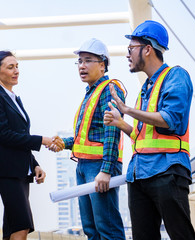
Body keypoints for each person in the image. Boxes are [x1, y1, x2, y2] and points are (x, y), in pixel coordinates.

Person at [103, 20, 195, 239]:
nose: (128, 54)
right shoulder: (146, 87)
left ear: (147, 49)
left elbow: (170, 119)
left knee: (180, 235)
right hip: (139, 175)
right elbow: (143, 136)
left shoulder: (176, 76)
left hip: (168, 171)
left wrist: (128, 110)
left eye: (131, 48)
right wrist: (122, 122)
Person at [49, 38, 126, 240]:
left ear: (102, 65)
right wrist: (64, 143)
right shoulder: (91, 93)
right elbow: (89, 136)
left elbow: (112, 131)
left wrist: (106, 170)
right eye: (80, 61)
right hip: (84, 167)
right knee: (91, 230)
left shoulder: (110, 89)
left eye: (88, 60)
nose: (82, 66)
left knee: (108, 229)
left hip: (100, 167)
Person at [0, 50, 51, 240]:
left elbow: (21, 136)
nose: (16, 71)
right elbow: (3, 135)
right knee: (22, 224)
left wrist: (35, 164)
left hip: (20, 170)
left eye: (17, 66)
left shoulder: (14, 98)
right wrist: (41, 140)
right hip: (6, 170)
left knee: (13, 226)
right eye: (10, 67)